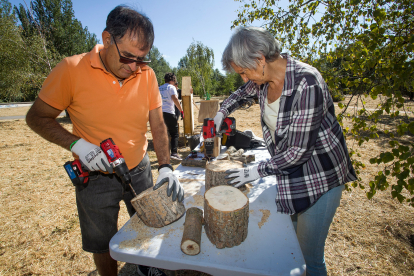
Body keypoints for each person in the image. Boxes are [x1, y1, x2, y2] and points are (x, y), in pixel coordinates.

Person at [25, 5, 183, 276]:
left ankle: (148, 266)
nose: (134, 67)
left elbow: (157, 124)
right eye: (128, 57)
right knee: (103, 243)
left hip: (141, 170)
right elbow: (36, 117)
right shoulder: (70, 70)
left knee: (148, 225)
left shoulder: (147, 74)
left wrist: (165, 166)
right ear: (107, 39)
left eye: (142, 59)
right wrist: (78, 145)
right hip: (95, 179)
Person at [215, 26, 357, 276]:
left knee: (308, 256)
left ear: (260, 60)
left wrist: (255, 171)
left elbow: (298, 152)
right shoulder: (262, 80)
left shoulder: (307, 82)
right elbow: (240, 94)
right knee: (289, 246)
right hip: (290, 174)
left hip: (320, 177)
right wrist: (221, 111)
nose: (244, 79)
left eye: (244, 72)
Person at [159, 73, 184, 161]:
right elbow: (175, 99)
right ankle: (174, 153)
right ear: (172, 80)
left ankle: (164, 154)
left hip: (159, 114)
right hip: (169, 112)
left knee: (164, 134)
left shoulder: (159, 88)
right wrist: (181, 110)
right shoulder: (171, 87)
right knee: (174, 133)